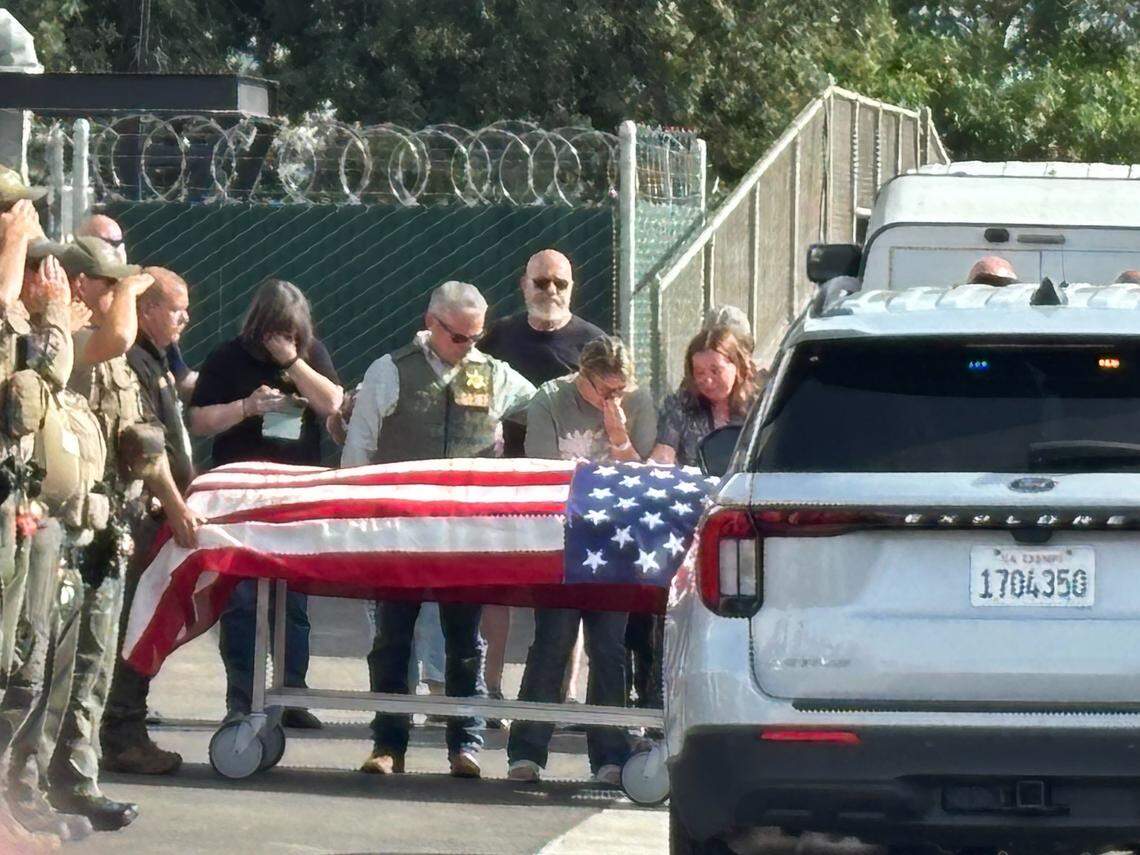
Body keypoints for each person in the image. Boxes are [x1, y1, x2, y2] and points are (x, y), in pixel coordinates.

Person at [343, 280, 535, 779]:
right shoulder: (388, 373)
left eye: (477, 337)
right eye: (459, 338)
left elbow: (546, 408)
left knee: (465, 641)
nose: (469, 347)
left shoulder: (496, 376)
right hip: (401, 529)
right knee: (393, 637)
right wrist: (355, 519)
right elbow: (358, 449)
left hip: (465, 532)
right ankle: (388, 745)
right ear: (432, 324)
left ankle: (465, 744)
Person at [46, 235, 199, 832]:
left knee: (95, 656)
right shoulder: (93, 343)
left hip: (111, 519)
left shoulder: (129, 353)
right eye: (111, 286)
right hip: (77, 523)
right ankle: (50, 779)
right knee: (61, 660)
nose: (120, 298)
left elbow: (141, 435)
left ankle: (75, 777)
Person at [188, 278, 343, 729]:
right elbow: (198, 419)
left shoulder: (309, 354)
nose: (283, 340)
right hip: (241, 494)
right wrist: (246, 408)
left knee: (292, 602)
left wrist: (292, 362)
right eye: (277, 333)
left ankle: (291, 693)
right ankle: (243, 697)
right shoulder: (227, 357)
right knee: (241, 600)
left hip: (296, 489)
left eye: (293, 333)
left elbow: (332, 402)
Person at [507, 336, 656, 785]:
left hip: (616, 542)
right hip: (564, 537)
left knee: (609, 647)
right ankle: (528, 750)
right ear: (582, 375)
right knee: (552, 640)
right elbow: (539, 469)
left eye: (620, 390)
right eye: (604, 390)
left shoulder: (639, 401)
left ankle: (610, 753)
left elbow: (646, 474)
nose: (613, 398)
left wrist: (619, 437)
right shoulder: (551, 398)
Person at [478, 248, 604, 710]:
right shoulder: (498, 337)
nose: (550, 291)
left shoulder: (593, 343)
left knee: (565, 586)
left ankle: (566, 694)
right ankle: (488, 685)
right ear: (523, 283)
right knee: (496, 585)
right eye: (541, 282)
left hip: (569, 484)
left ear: (572, 287)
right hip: (506, 476)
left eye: (560, 283)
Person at [99, 267, 194, 775]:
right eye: (177, 308)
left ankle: (121, 726)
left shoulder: (156, 359)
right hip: (142, 514)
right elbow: (145, 447)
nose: (186, 318)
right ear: (148, 309)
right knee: (129, 628)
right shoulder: (132, 360)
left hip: (157, 512)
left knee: (134, 624)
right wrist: (176, 506)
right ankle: (121, 733)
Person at [77, 214, 196, 401]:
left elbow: (184, 378)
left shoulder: (146, 324)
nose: (116, 251)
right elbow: (120, 338)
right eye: (105, 243)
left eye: (119, 243)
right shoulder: (74, 324)